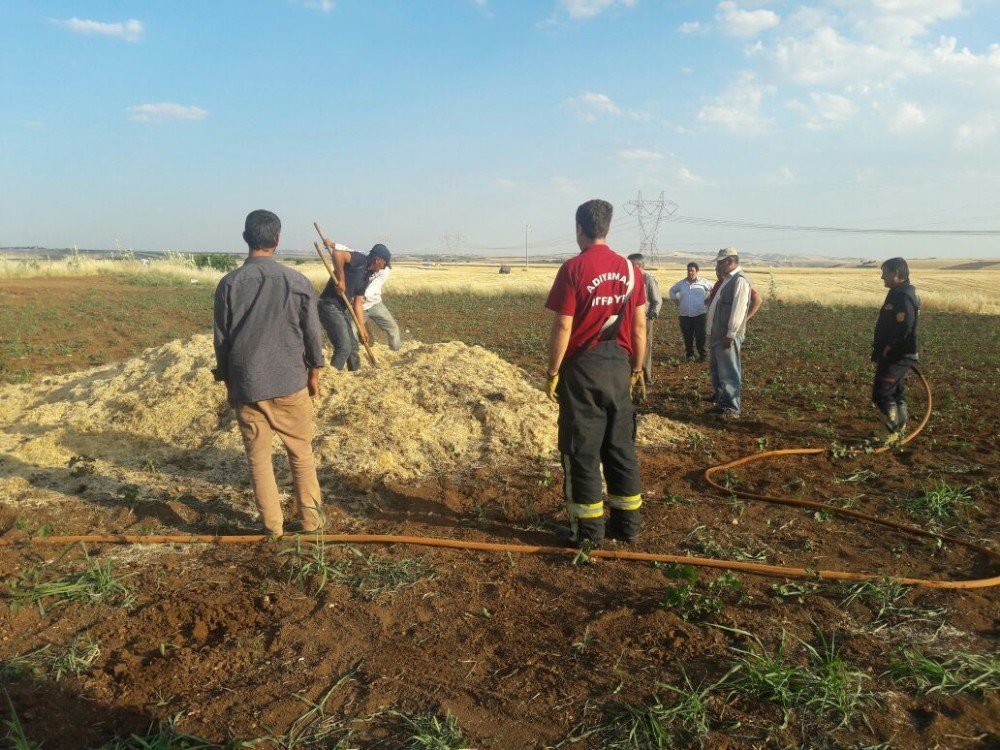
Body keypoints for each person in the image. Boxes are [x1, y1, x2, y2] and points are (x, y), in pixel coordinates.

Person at [213, 210, 326, 536]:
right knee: (301, 455)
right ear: (277, 239)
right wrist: (314, 374)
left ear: (246, 237)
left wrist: (229, 384)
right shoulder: (297, 281)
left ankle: (273, 529)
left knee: (259, 461)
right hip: (290, 382)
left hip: (248, 385)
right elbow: (312, 335)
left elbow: (222, 340)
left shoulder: (229, 285)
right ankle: (312, 523)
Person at [544, 199, 647, 547]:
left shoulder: (573, 269)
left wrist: (553, 371)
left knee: (582, 451)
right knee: (620, 447)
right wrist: (636, 369)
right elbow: (640, 326)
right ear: (607, 227)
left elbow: (563, 325)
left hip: (582, 371)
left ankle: (588, 533)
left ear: (579, 229)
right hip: (619, 367)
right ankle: (628, 526)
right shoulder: (632, 271)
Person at [317, 242, 393, 370]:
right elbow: (337, 254)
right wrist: (341, 279)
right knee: (344, 347)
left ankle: (355, 374)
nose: (384, 268)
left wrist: (361, 328)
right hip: (328, 306)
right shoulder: (359, 260)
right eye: (384, 264)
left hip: (341, 309)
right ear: (378, 260)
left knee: (353, 348)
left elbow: (358, 303)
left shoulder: (367, 277)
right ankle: (333, 377)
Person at [871, 257, 920, 434]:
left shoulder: (903, 295)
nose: (882, 277)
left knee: (882, 393)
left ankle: (888, 432)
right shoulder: (897, 292)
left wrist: (890, 346)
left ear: (896, 273)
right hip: (896, 353)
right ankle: (898, 430)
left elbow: (905, 325)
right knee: (895, 391)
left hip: (897, 354)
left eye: (885, 273)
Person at [705, 247, 753, 419]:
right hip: (718, 334)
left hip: (727, 336)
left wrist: (731, 334)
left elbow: (738, 310)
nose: (718, 266)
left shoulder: (739, 281)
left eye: (720, 262)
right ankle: (722, 404)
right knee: (718, 372)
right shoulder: (727, 280)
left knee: (729, 372)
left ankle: (732, 409)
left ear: (730, 261)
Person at [627, 253, 662, 386]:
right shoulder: (629, 279)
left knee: (645, 348)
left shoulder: (647, 278)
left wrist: (651, 315)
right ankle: (632, 375)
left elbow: (656, 300)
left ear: (639, 266)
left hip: (645, 319)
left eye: (631, 265)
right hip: (630, 319)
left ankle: (646, 379)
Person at [668, 262, 713, 361]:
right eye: (688, 271)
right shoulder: (682, 283)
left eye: (692, 271)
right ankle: (690, 355)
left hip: (699, 314)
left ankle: (703, 356)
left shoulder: (703, 282)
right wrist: (676, 301)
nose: (690, 273)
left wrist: (708, 300)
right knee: (687, 336)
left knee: (700, 336)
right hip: (684, 315)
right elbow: (672, 291)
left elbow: (714, 290)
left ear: (697, 271)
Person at [362, 261, 402, 351]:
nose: (383, 268)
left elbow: (371, 289)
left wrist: (362, 297)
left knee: (393, 328)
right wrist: (334, 246)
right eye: (382, 265)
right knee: (353, 332)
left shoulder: (385, 271)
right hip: (358, 307)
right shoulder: (361, 263)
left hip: (375, 303)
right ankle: (358, 352)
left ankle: (395, 350)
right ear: (376, 260)